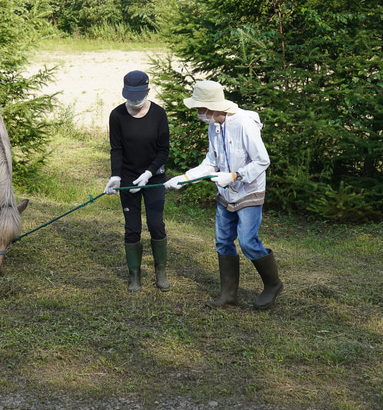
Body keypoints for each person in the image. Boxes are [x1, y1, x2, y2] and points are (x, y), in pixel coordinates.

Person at [165, 80, 283, 309]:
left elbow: (262, 161)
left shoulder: (244, 124)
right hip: (225, 193)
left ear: (212, 107)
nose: (197, 113)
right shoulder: (214, 126)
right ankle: (228, 296)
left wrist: (235, 176)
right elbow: (211, 162)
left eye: (199, 108)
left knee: (248, 242)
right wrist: (185, 178)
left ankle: (273, 284)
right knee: (223, 241)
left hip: (248, 190)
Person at [104, 70, 170, 292]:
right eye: (129, 99)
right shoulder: (116, 115)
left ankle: (160, 272)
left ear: (148, 91)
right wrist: (116, 175)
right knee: (132, 228)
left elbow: (163, 151)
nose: (133, 104)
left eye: (138, 99)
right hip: (129, 178)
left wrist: (150, 172)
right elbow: (117, 149)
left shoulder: (159, 115)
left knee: (155, 224)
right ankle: (135, 276)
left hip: (153, 178)